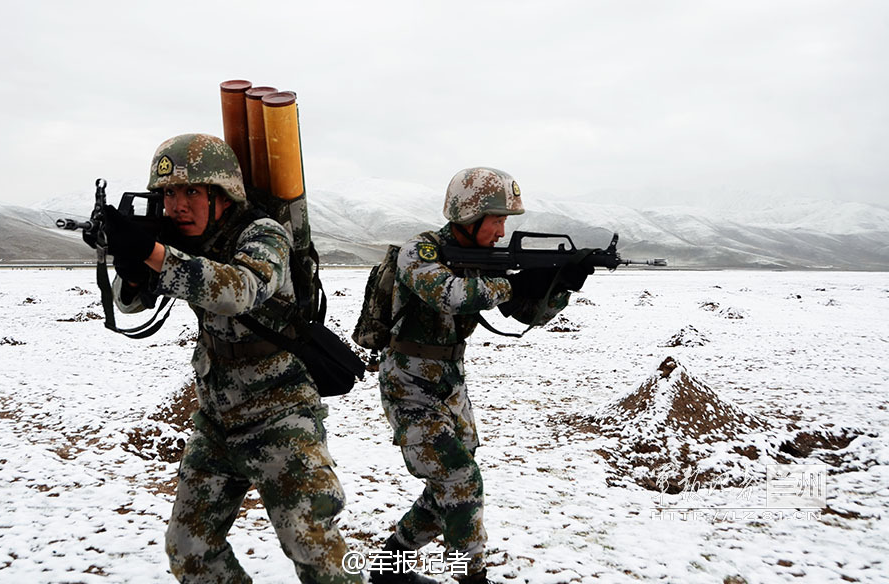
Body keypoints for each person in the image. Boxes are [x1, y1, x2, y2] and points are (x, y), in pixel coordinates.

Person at [104, 133, 364, 584]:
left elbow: (237, 290)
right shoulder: (177, 240)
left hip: (280, 413)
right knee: (189, 548)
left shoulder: (263, 234)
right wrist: (131, 270)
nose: (177, 205)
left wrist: (152, 254)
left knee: (312, 543)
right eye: (168, 193)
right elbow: (129, 307)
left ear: (223, 194)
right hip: (218, 418)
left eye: (191, 192)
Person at [373, 167, 588, 584]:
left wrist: (558, 285)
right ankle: (471, 578)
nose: (502, 231)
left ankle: (388, 566)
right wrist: (510, 283)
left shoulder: (483, 261)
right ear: (469, 216)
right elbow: (448, 295)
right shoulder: (422, 251)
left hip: (450, 381)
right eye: (497, 220)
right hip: (408, 382)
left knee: (452, 483)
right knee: (460, 480)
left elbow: (528, 315)